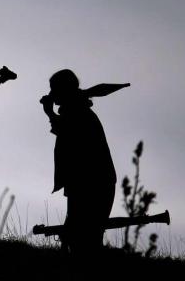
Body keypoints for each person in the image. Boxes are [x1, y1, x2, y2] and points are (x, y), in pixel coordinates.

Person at [40, 69, 125, 256]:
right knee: (81, 240)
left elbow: (66, 132)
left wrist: (49, 113)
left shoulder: (77, 112)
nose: (51, 94)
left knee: (84, 242)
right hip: (88, 183)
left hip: (92, 184)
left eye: (54, 89)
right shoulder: (76, 110)